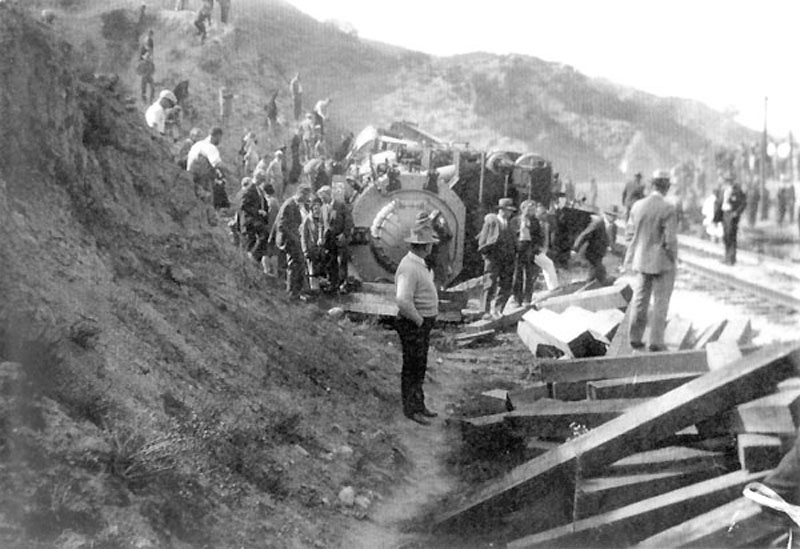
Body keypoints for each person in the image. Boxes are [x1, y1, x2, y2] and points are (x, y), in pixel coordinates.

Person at [623, 169, 678, 352]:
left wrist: (635, 253)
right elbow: (670, 240)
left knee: (640, 300)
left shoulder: (637, 206)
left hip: (641, 260)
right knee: (661, 301)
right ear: (666, 187)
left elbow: (629, 234)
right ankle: (656, 341)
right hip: (662, 262)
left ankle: (634, 338)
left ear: (652, 185)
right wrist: (673, 258)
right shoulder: (668, 208)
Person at [394, 211, 440, 426]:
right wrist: (420, 321)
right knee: (412, 367)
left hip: (419, 323)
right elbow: (403, 300)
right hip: (413, 324)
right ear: (425, 246)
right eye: (430, 244)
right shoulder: (409, 267)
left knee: (419, 366)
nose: (432, 247)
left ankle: (419, 405)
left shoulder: (418, 264)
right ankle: (412, 410)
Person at [477, 198, 517, 319]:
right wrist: (486, 256)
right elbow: (482, 240)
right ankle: (485, 311)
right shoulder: (491, 222)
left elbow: (513, 240)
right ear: (501, 210)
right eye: (508, 210)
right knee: (489, 283)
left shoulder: (509, 224)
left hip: (507, 258)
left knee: (506, 284)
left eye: (511, 211)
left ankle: (498, 310)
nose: (510, 213)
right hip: (493, 258)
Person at [273, 185, 312, 300]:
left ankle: (297, 292)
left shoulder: (294, 205)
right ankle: (292, 293)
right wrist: (294, 238)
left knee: (298, 264)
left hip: (293, 239)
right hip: (288, 241)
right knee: (294, 265)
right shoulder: (289, 205)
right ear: (301, 194)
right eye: (306, 196)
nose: (307, 199)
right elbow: (282, 225)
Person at [317, 185, 353, 292]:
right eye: (321, 198)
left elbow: (349, 221)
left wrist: (344, 234)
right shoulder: (323, 208)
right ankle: (333, 283)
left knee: (342, 261)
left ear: (329, 195)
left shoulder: (341, 206)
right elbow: (321, 224)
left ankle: (343, 284)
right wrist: (320, 237)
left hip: (340, 238)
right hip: (329, 240)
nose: (322, 200)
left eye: (323, 197)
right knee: (331, 261)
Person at [187, 127, 228, 218]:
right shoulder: (210, 147)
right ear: (217, 136)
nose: (220, 141)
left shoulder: (198, 145)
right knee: (207, 201)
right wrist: (229, 173)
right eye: (220, 138)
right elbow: (217, 164)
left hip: (190, 177)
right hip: (202, 179)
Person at [511, 200, 543, 306]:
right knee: (517, 274)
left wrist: (536, 248)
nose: (531, 211)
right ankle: (517, 298)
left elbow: (538, 236)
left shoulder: (535, 221)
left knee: (529, 274)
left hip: (529, 247)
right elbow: (511, 235)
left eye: (533, 209)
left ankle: (527, 298)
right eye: (529, 209)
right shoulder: (515, 220)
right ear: (523, 209)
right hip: (518, 248)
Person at [238, 177, 271, 273]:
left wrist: (264, 212)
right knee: (262, 236)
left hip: (255, 220)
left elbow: (263, 204)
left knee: (258, 240)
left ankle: (254, 262)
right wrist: (258, 212)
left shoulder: (258, 191)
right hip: (249, 221)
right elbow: (243, 206)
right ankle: (253, 257)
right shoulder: (247, 191)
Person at [572, 211, 610, 284]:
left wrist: (608, 245)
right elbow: (585, 234)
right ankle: (589, 285)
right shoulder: (598, 223)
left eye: (615, 216)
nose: (614, 218)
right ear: (606, 215)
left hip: (599, 253)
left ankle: (598, 283)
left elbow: (606, 237)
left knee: (599, 270)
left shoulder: (609, 225)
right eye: (611, 216)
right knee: (595, 270)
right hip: (593, 252)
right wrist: (575, 248)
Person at [720, 174, 747, 265]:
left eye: (729, 181)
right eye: (726, 181)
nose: (727, 183)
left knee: (731, 235)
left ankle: (731, 259)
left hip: (732, 214)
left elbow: (743, 203)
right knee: (726, 236)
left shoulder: (737, 191)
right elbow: (720, 202)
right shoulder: (724, 190)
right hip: (725, 214)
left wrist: (736, 213)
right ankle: (726, 256)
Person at [300, 196, 326, 291]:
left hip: (321, 250)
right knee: (312, 272)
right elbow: (303, 236)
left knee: (321, 271)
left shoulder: (323, 220)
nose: (317, 211)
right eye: (315, 208)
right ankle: (314, 290)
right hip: (311, 249)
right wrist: (305, 250)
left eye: (319, 208)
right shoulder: (307, 220)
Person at [532, 201, 559, 290]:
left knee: (543, 267)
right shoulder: (534, 223)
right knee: (548, 264)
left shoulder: (547, 223)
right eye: (542, 213)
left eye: (545, 213)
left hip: (543, 249)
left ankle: (546, 286)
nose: (545, 215)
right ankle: (553, 287)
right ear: (537, 213)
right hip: (535, 250)